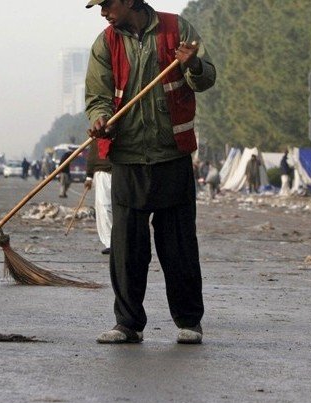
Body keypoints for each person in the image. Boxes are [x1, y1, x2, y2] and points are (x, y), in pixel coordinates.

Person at [85, 0, 216, 344]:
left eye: (107, 4)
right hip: (127, 157)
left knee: (178, 246)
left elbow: (205, 79)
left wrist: (194, 65)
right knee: (127, 248)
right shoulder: (105, 43)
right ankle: (127, 324)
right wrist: (100, 119)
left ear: (129, 1)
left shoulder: (177, 29)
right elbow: (97, 95)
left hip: (171, 153)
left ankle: (189, 321)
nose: (102, 11)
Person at [84, 142, 112, 254]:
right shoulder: (100, 131)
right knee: (105, 208)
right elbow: (92, 155)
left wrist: (89, 176)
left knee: (107, 207)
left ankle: (115, 242)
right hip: (104, 172)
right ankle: (111, 242)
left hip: (120, 171)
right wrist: (89, 176)